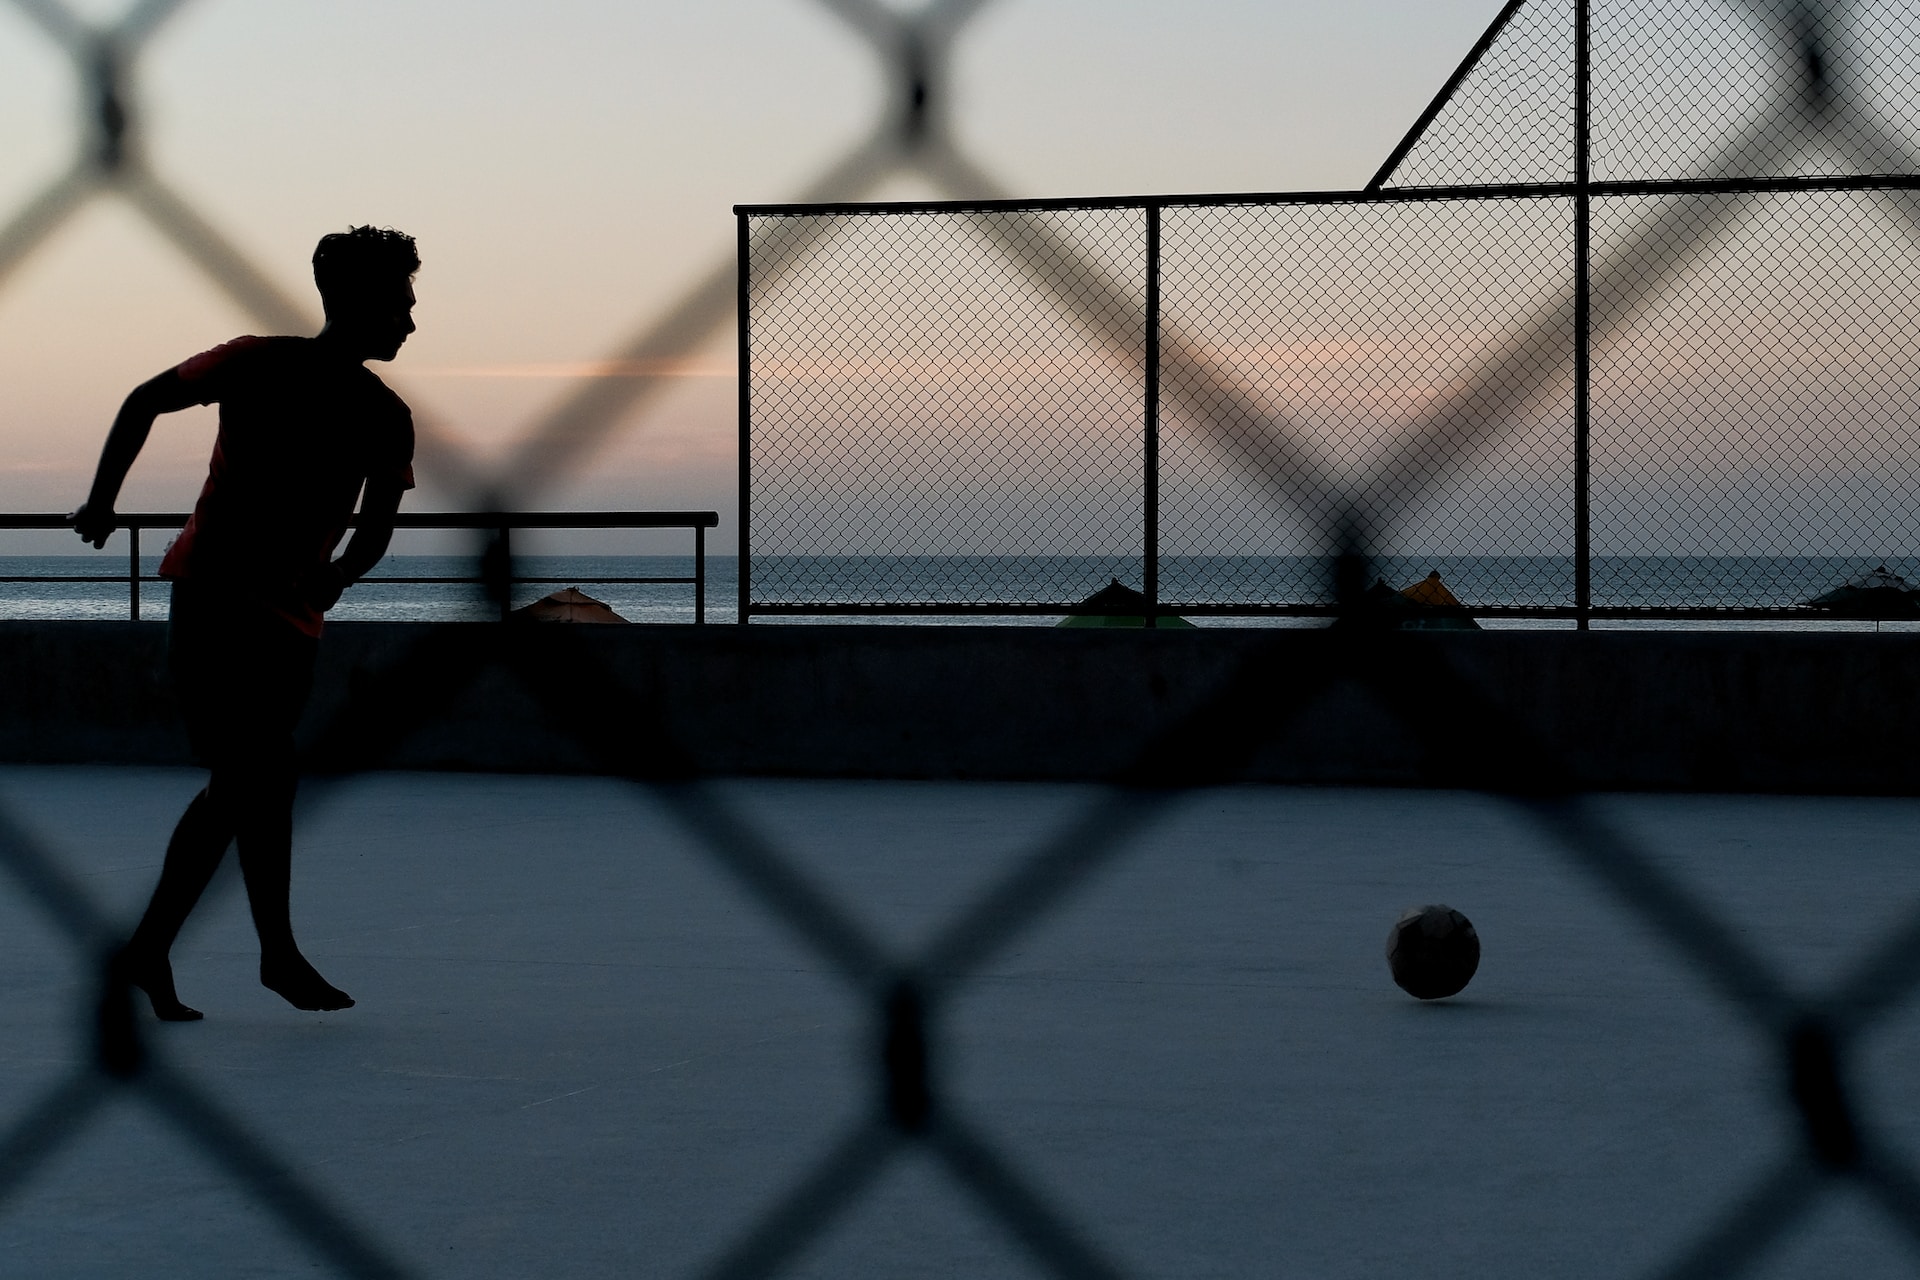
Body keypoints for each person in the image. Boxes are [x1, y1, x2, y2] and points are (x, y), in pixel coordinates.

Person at [72, 225, 420, 1021]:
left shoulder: (384, 414)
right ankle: (268, 956)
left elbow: (374, 528)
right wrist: (102, 500)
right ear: (355, 302)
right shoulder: (257, 361)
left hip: (292, 622)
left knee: (256, 781)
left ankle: (160, 952)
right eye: (399, 304)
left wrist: (336, 577)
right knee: (253, 775)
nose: (409, 322)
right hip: (213, 600)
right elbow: (145, 401)